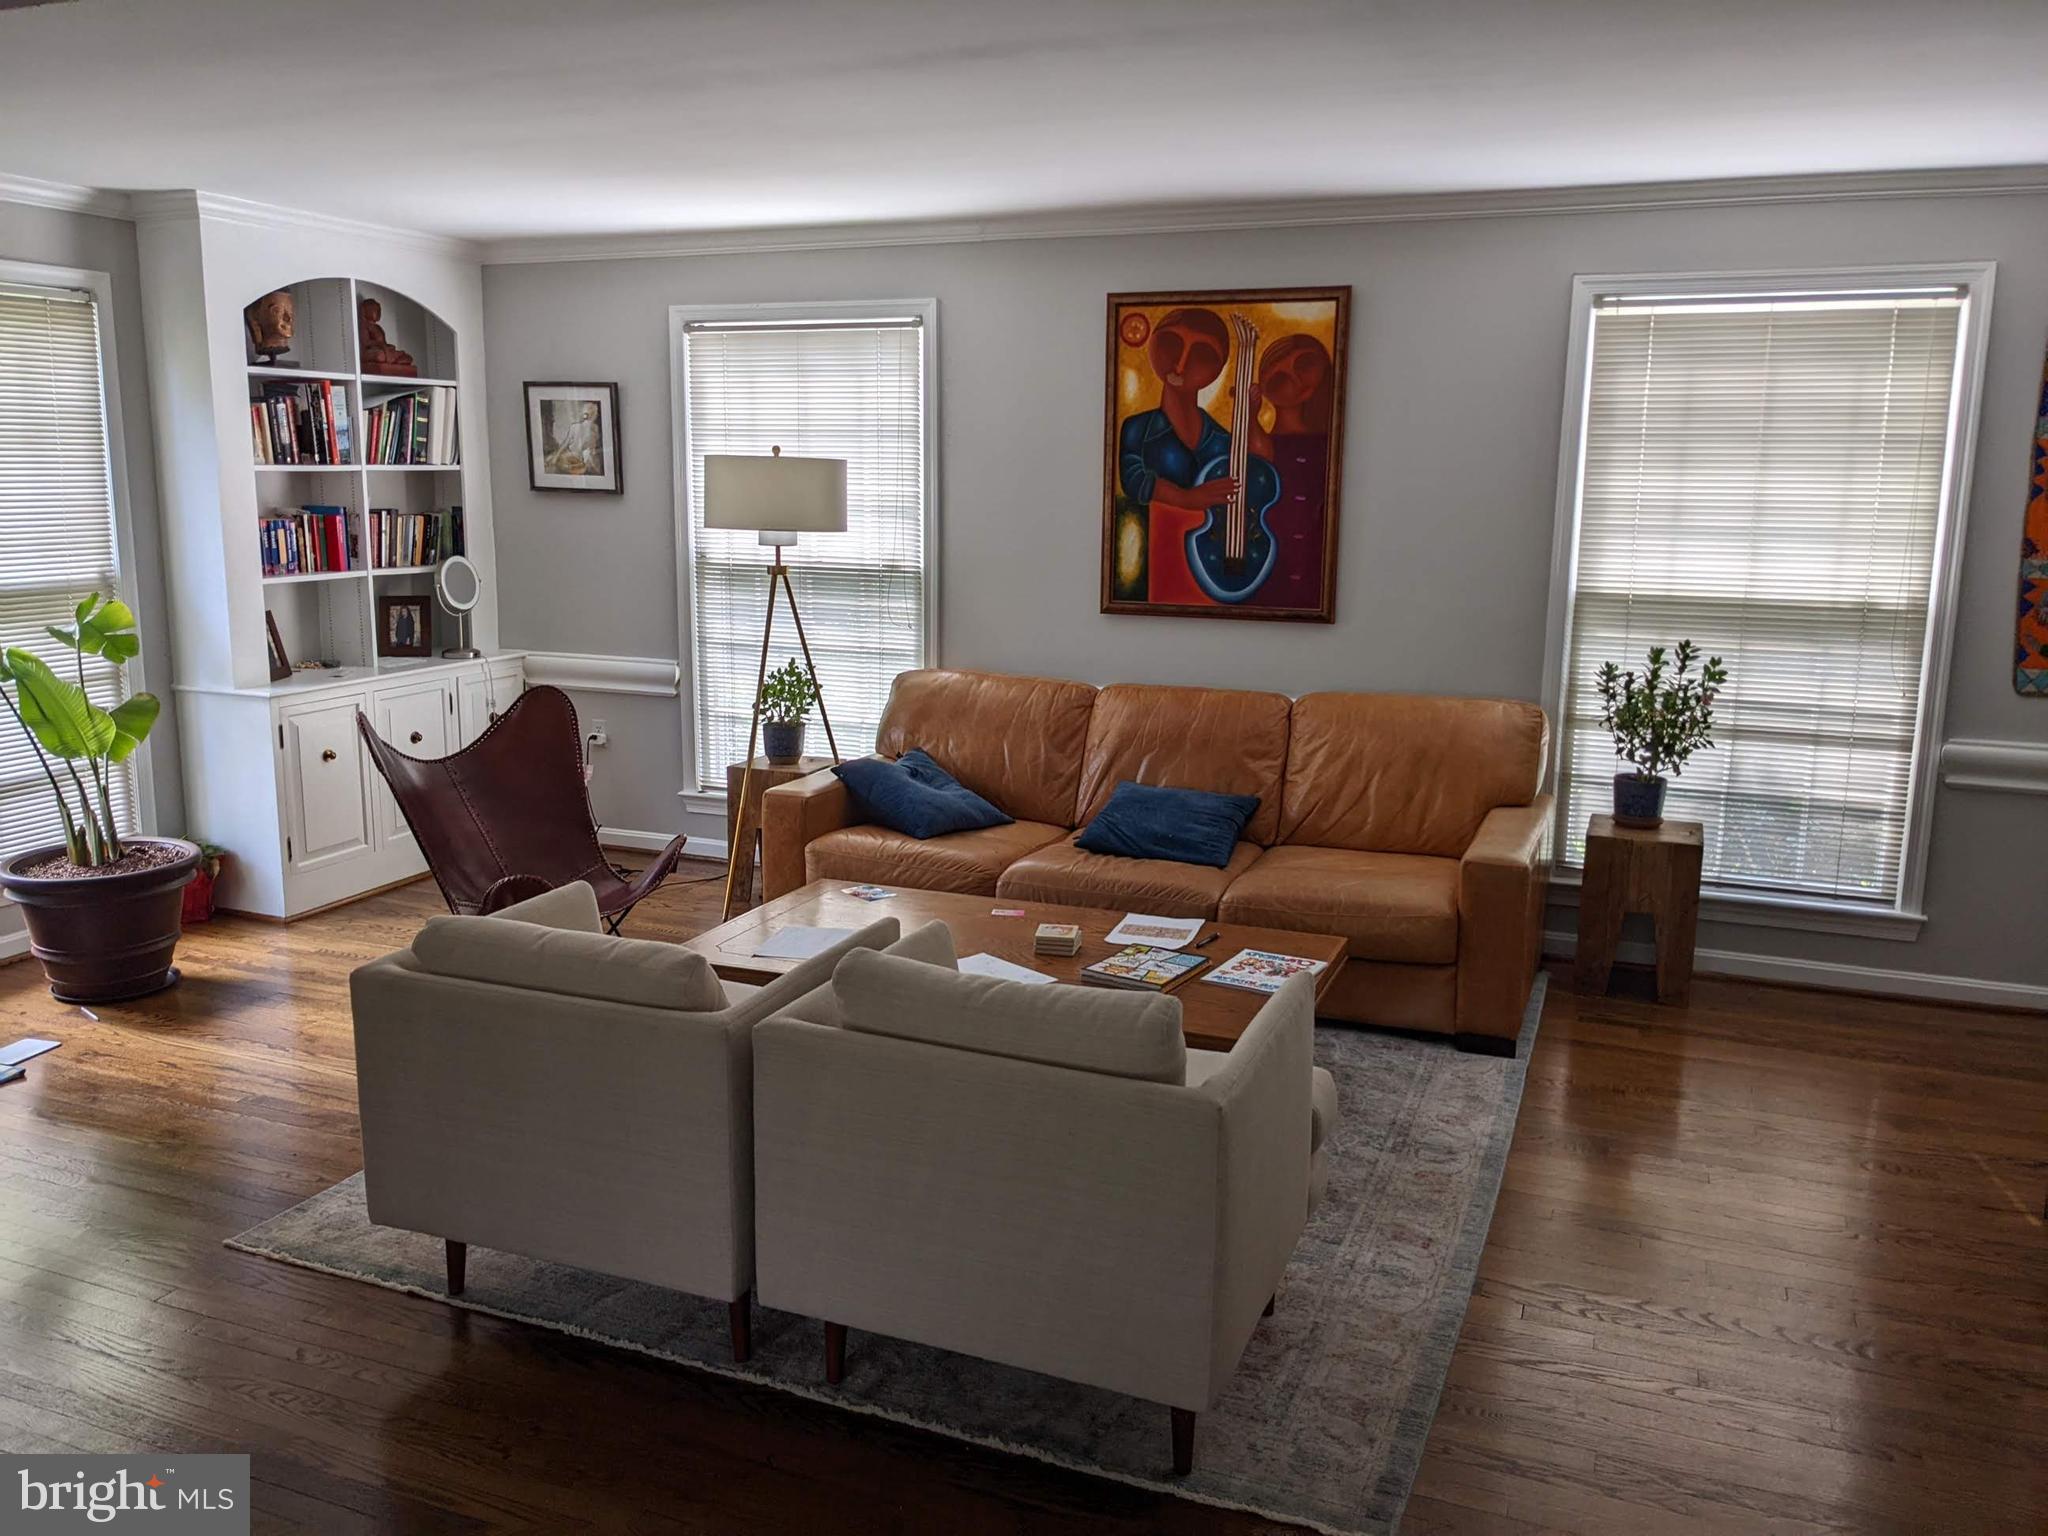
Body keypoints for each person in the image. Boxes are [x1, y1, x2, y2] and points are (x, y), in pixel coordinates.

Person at [1117, 307, 1255, 606]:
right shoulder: (1137, 428)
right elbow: (1132, 478)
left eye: (1201, 355)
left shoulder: (1224, 440)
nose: (1180, 364)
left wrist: (1252, 416)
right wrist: (1186, 498)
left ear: (1217, 369)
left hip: (1211, 564)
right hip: (1150, 557)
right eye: (1171, 345)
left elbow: (1257, 476)